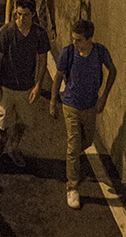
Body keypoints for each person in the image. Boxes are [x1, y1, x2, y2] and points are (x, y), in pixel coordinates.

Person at [49, 19, 117, 208]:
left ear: (89, 39)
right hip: (70, 105)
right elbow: (58, 76)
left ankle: (73, 161)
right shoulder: (68, 53)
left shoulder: (100, 52)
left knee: (86, 142)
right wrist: (53, 100)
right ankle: (72, 187)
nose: (75, 43)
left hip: (90, 106)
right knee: (73, 146)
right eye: (73, 39)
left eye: (78, 40)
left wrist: (103, 97)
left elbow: (113, 71)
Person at [0, 0, 51, 169]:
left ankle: (14, 147)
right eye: (18, 14)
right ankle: (2, 138)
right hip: (6, 86)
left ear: (33, 14)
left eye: (25, 15)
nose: (21, 18)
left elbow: (42, 61)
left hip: (26, 87)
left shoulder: (39, 34)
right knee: (2, 119)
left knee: (23, 121)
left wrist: (38, 84)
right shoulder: (6, 32)